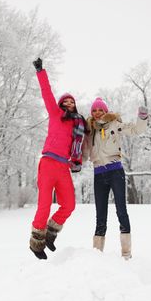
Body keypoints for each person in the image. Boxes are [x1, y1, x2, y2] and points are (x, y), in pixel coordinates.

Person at [30, 57, 87, 259]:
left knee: (69, 204)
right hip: (47, 164)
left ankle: (50, 234)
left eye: (72, 102)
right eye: (66, 101)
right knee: (44, 205)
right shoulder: (55, 113)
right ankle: (37, 242)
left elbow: (83, 144)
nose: (70, 104)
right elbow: (47, 93)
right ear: (61, 104)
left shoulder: (78, 125)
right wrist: (40, 71)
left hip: (63, 167)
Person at [82, 97, 148, 259]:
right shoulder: (89, 131)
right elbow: (83, 154)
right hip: (98, 174)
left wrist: (142, 118)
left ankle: (126, 253)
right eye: (94, 111)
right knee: (100, 215)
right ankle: (97, 253)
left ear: (106, 111)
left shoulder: (115, 124)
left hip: (115, 172)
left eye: (100, 110)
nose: (97, 113)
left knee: (121, 211)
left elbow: (135, 130)